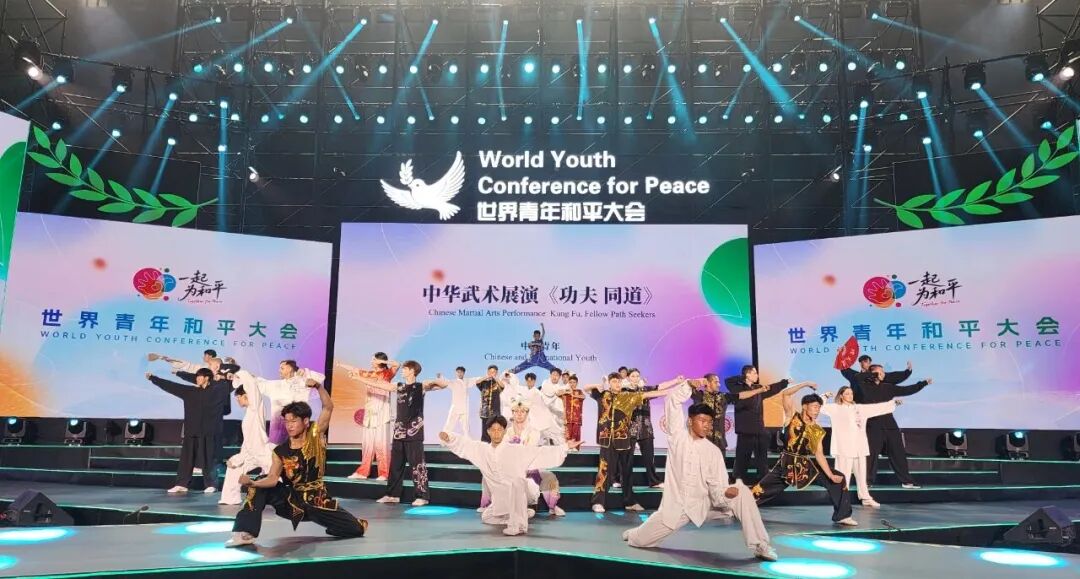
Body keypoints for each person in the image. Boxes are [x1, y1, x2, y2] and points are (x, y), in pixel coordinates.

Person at [623, 380, 777, 562]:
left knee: (742, 492)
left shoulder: (713, 452)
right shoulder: (677, 438)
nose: (707, 426)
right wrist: (688, 385)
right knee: (640, 541)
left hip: (704, 505)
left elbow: (717, 490)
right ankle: (635, 533)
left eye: (710, 422)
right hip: (676, 508)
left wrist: (727, 493)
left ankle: (760, 545)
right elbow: (672, 400)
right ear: (690, 421)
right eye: (702, 421)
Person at [226, 381, 367, 547]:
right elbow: (272, 478)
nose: (289, 426)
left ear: (305, 421)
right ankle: (245, 532)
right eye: (286, 422)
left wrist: (319, 387)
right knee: (258, 484)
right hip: (292, 501)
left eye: (293, 421)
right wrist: (253, 483)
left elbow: (328, 407)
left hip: (318, 501)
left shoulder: (315, 436)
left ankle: (338, 525)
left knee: (356, 529)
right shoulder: (280, 451)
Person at [440, 417, 580, 536]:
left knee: (517, 482)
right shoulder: (482, 450)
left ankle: (519, 525)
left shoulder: (515, 449)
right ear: (488, 431)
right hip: (501, 497)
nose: (496, 433)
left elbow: (539, 453)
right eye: (493, 430)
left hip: (521, 491)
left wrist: (565, 447)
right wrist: (449, 437)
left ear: (504, 431)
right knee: (487, 517)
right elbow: (466, 445)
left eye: (499, 429)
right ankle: (520, 514)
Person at [751, 393, 857, 526]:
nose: (817, 410)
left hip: (804, 467)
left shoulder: (817, 430)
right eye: (814, 407)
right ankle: (738, 506)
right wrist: (806, 384)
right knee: (760, 489)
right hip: (786, 465)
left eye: (819, 407)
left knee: (838, 479)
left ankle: (843, 516)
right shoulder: (792, 417)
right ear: (805, 406)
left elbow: (819, 454)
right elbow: (786, 394)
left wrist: (830, 475)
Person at [584, 373, 682, 513]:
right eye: (614, 381)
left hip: (624, 440)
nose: (617, 384)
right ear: (610, 383)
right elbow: (586, 388)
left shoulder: (628, 396)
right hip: (607, 441)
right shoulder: (602, 395)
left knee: (627, 472)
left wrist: (672, 390)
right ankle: (598, 502)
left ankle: (629, 502)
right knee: (605, 471)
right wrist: (598, 385)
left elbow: (648, 394)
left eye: (619, 381)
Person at [356, 361, 444, 506]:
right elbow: (380, 384)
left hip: (414, 432)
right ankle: (392, 495)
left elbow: (443, 385)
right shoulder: (399, 386)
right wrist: (358, 378)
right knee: (396, 465)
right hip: (399, 432)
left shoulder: (421, 386)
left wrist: (436, 380)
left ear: (412, 371)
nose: (402, 371)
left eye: (405, 369)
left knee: (417, 465)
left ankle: (422, 496)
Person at [145, 368, 230, 494]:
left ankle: (211, 484)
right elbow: (171, 386)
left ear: (207, 378)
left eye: (200, 376)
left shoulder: (216, 392)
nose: (197, 379)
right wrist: (153, 378)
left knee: (208, 459)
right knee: (186, 459)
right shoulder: (190, 392)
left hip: (209, 432)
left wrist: (221, 378)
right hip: (192, 431)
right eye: (196, 376)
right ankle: (182, 484)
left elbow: (229, 384)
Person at [820, 386, 900, 508]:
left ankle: (865, 498)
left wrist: (892, 403)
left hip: (859, 446)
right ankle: (841, 499)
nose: (850, 396)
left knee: (862, 476)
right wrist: (825, 396)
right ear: (841, 395)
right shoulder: (835, 408)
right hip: (843, 447)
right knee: (842, 475)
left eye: (851, 393)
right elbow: (820, 407)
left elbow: (877, 408)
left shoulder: (859, 409)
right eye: (847, 393)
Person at [852, 365, 932, 488]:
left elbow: (907, 390)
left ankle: (907, 481)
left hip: (889, 424)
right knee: (871, 454)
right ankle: (867, 481)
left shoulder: (887, 387)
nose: (883, 374)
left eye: (883, 372)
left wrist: (923, 383)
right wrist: (874, 374)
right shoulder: (864, 387)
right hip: (872, 425)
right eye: (880, 372)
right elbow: (857, 377)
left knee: (898, 453)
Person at [726, 366, 802, 484]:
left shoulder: (759, 388)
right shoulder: (738, 388)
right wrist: (743, 377)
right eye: (754, 373)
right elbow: (728, 381)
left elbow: (772, 388)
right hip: (745, 430)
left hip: (759, 429)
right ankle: (737, 480)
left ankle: (763, 480)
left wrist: (784, 382)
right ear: (747, 374)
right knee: (742, 458)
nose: (757, 375)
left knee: (762, 459)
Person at [219, 370, 276, 505]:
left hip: (263, 452)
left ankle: (284, 500)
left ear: (246, 395)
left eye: (238, 397)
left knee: (275, 477)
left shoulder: (256, 407)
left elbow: (250, 383)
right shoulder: (249, 413)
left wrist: (238, 374)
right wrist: (239, 458)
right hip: (250, 453)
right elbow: (248, 440)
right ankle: (230, 498)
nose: (237, 400)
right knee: (234, 467)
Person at [339, 353, 399, 480]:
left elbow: (397, 364)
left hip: (382, 413)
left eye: (374, 359)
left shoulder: (387, 373)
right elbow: (355, 370)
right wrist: (340, 364)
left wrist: (382, 361)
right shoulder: (369, 374)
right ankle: (363, 472)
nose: (372, 361)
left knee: (381, 444)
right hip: (369, 414)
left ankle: (385, 473)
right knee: (367, 445)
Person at [504, 397, 566, 516]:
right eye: (516, 411)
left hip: (530, 468)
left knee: (550, 477)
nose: (519, 414)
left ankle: (552, 506)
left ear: (527, 413)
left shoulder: (534, 432)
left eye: (523, 411)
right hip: (512, 469)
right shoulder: (506, 432)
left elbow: (529, 450)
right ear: (512, 413)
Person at [622, 369, 663, 489]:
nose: (635, 378)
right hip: (630, 428)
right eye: (633, 376)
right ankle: (624, 482)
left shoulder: (644, 389)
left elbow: (659, 387)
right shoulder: (624, 391)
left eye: (637, 376)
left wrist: (676, 381)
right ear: (628, 378)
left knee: (649, 457)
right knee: (627, 458)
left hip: (646, 428)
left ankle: (654, 481)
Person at [690, 374, 729, 463]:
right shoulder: (699, 395)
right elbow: (687, 387)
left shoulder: (723, 397)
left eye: (718, 382)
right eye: (716, 382)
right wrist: (700, 381)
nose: (719, 384)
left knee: (719, 468)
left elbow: (740, 395)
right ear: (707, 383)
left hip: (719, 441)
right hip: (703, 441)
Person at [475, 365, 507, 442]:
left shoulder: (498, 383)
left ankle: (494, 443)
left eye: (494, 372)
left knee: (495, 428)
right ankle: (484, 444)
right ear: (488, 372)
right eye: (490, 372)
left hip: (495, 411)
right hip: (485, 410)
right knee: (485, 429)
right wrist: (487, 376)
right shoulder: (483, 383)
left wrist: (495, 378)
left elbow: (503, 386)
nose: (492, 373)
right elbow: (477, 382)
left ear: (496, 373)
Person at [558, 374, 586, 450]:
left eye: (574, 382)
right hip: (567, 418)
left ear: (577, 383)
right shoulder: (565, 392)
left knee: (576, 435)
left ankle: (575, 450)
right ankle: (567, 451)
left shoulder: (579, 391)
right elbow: (557, 393)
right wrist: (566, 391)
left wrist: (573, 395)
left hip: (577, 418)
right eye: (570, 382)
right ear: (568, 383)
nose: (572, 384)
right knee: (567, 435)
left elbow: (584, 397)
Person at [442, 366, 470, 434]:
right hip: (455, 407)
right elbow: (446, 381)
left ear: (464, 373)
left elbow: (476, 379)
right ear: (456, 373)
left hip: (464, 408)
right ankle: (445, 437)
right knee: (449, 425)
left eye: (461, 372)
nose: (459, 374)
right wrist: (440, 377)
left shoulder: (467, 381)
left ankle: (467, 439)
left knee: (466, 427)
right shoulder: (454, 382)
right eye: (458, 372)